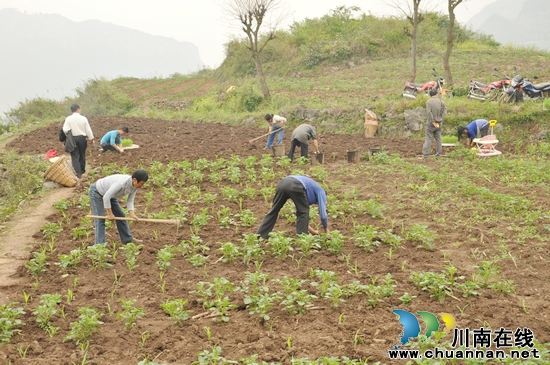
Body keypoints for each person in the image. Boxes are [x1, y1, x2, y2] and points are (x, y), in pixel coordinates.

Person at [257, 175, 329, 239]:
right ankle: (302, 238)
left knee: (274, 210)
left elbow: (302, 218)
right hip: (295, 184)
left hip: (282, 183)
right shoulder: (321, 191)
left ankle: (261, 235)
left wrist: (313, 231)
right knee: (303, 212)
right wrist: (326, 229)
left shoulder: (309, 190)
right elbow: (323, 214)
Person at [88, 169, 148, 245]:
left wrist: (132, 214)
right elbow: (106, 197)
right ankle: (100, 245)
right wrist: (109, 213)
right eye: (141, 183)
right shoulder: (121, 183)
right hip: (97, 192)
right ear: (134, 180)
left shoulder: (135, 187)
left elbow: (130, 200)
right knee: (100, 218)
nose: (142, 186)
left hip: (111, 195)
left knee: (121, 215)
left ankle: (127, 239)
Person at [62, 104, 95, 178]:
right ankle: (82, 170)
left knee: (75, 156)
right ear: (78, 109)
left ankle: (78, 172)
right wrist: (91, 139)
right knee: (82, 154)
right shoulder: (83, 118)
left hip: (72, 139)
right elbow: (88, 130)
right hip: (82, 139)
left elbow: (65, 129)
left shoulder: (68, 119)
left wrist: (69, 135)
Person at [422, 88, 447, 158]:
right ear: (437, 94)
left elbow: (429, 112)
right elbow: (444, 111)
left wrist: (432, 121)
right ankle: (438, 154)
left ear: (430, 95)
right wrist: (440, 119)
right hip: (439, 122)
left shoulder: (428, 102)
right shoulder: (442, 102)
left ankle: (425, 154)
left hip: (430, 123)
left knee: (428, 138)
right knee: (438, 138)